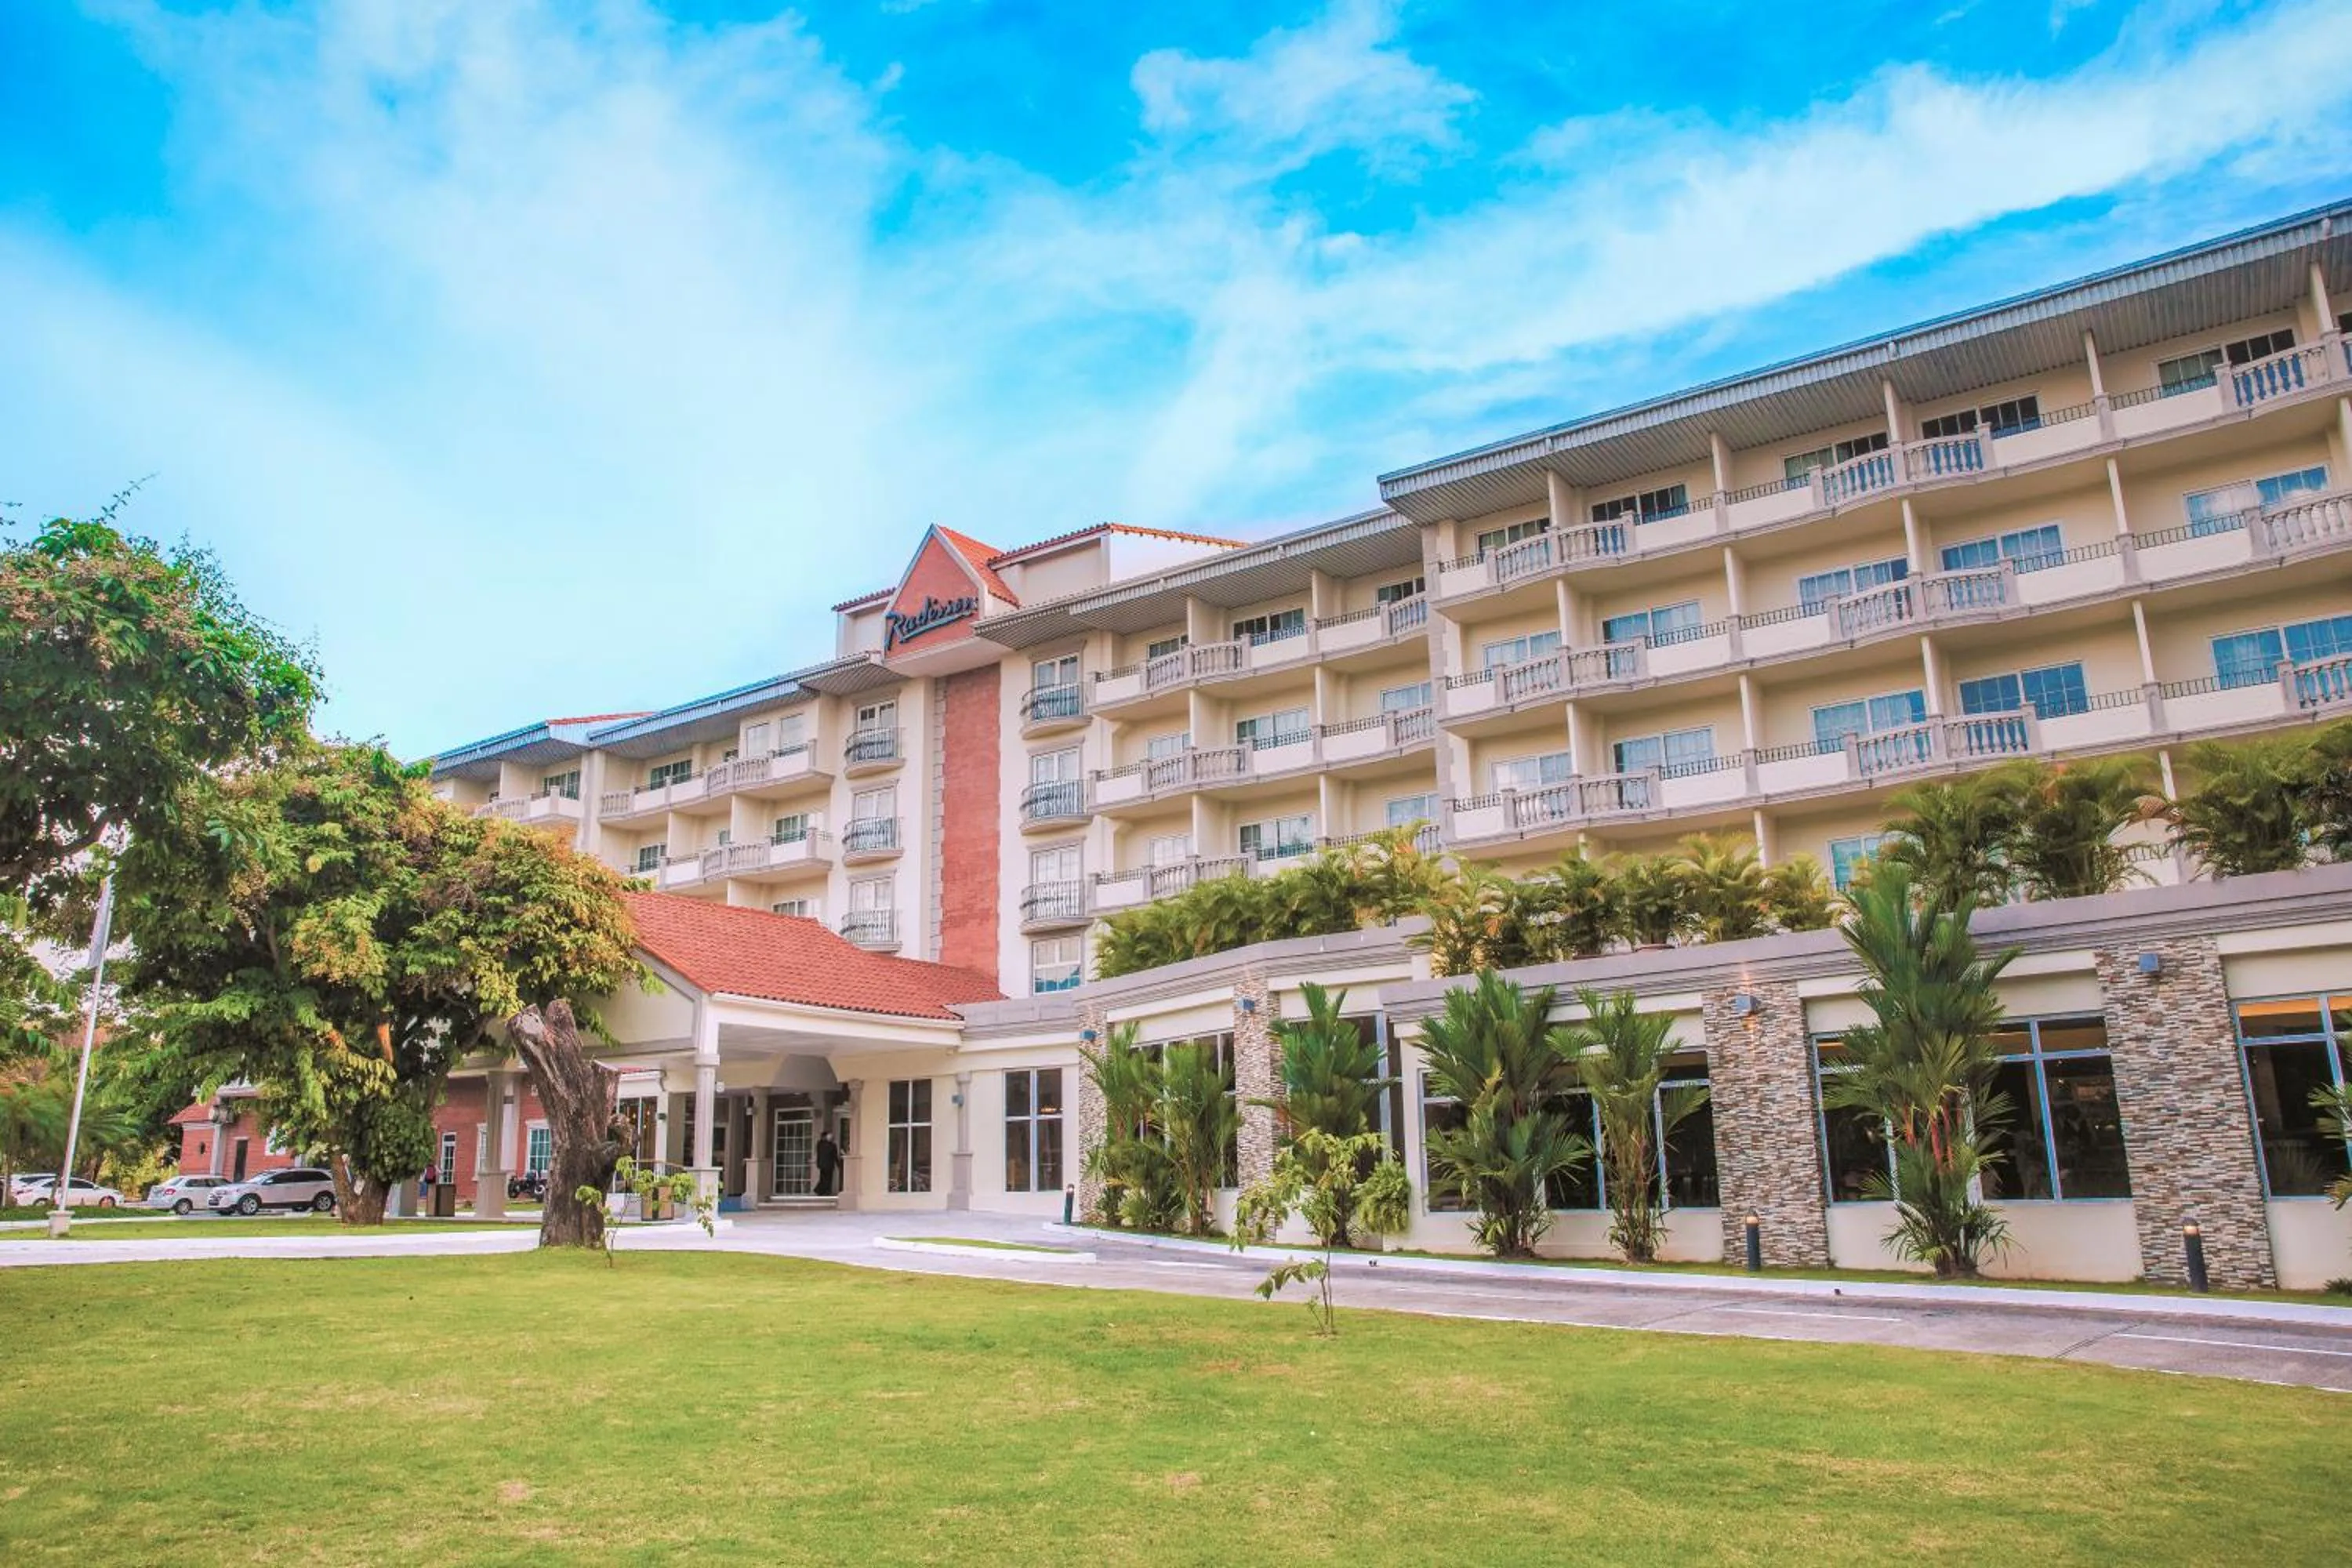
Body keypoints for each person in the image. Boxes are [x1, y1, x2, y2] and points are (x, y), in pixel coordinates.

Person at [814, 1130, 840, 1197]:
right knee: (827, 1179)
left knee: (824, 1178)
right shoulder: (829, 1145)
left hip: (824, 1164)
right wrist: (838, 1164)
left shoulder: (821, 1144)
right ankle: (823, 1190)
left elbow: (833, 1155)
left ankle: (822, 1191)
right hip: (827, 1164)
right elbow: (834, 1155)